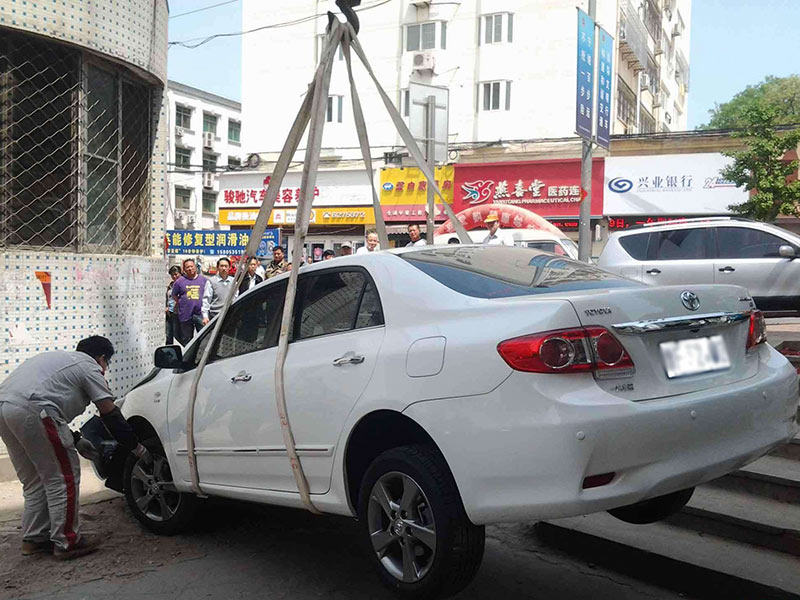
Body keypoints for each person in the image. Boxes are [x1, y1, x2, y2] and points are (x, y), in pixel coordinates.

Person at [0, 336, 150, 560]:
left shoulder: (62, 361)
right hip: (34, 410)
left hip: (6, 409)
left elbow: (44, 404)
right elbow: (108, 412)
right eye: (106, 364)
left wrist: (75, 438)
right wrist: (137, 447)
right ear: (101, 358)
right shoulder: (89, 366)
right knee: (64, 478)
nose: (105, 369)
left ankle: (34, 539)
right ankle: (68, 542)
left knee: (36, 481)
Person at [171, 258, 208, 346]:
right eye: (187, 267)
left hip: (200, 314)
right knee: (187, 340)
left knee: (204, 337)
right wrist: (182, 303)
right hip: (185, 315)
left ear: (195, 267)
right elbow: (174, 295)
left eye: (191, 266)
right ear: (184, 269)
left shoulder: (204, 280)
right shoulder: (179, 282)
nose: (190, 269)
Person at [202, 257, 235, 324]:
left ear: (229, 267)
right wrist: (205, 316)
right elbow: (206, 300)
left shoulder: (234, 281)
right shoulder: (211, 281)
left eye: (226, 266)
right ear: (217, 267)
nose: (223, 268)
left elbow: (235, 297)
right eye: (221, 266)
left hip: (229, 315)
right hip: (215, 316)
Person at [165, 265, 181, 345]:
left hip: (179, 313)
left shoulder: (183, 284)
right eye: (172, 275)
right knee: (168, 335)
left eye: (176, 274)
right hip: (170, 313)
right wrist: (167, 307)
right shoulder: (170, 285)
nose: (174, 276)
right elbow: (167, 298)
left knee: (178, 335)